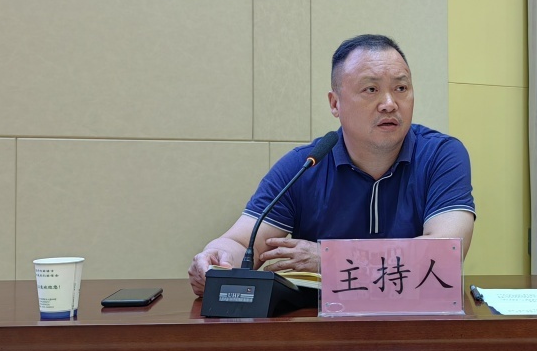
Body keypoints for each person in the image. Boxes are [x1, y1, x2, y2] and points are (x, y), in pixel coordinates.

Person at [188, 34, 475, 295]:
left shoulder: (441, 155)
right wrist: (216, 259)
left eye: (401, 88)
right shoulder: (305, 165)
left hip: (415, 321)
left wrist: (329, 259)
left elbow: (445, 254)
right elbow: (241, 243)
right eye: (371, 89)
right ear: (335, 103)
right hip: (322, 326)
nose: (389, 103)